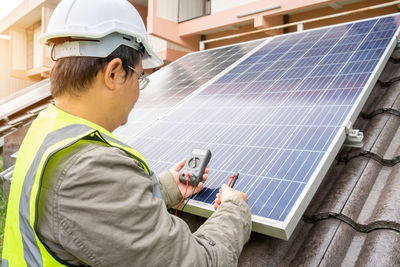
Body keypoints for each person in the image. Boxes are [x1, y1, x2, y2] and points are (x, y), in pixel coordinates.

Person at [1, 0, 251, 266]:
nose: (138, 92)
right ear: (114, 73)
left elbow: (89, 218)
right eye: (140, 77)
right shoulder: (90, 169)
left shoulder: (47, 127)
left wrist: (166, 187)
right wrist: (234, 210)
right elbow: (198, 262)